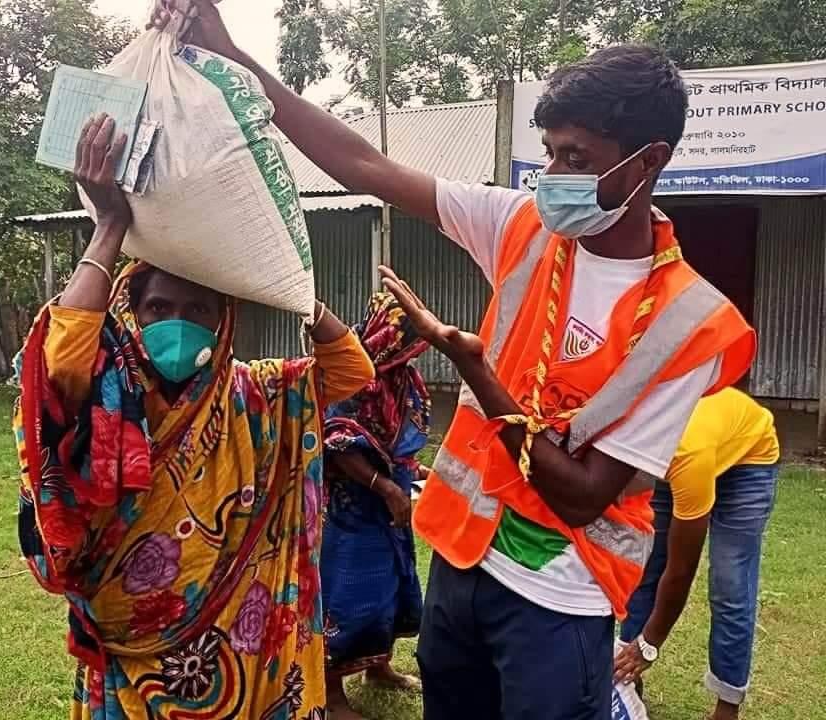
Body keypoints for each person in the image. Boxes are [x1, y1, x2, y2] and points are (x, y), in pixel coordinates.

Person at [148, 4, 757, 716]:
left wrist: (470, 367)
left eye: (578, 159)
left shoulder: (690, 322)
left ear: (647, 161)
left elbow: (586, 493)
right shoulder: (520, 227)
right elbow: (363, 165)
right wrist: (231, 53)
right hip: (464, 564)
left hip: (562, 595)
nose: (552, 174)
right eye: (551, 151)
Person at [13, 114, 374, 720]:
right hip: (133, 655)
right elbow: (56, 364)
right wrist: (110, 226)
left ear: (223, 322)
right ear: (132, 311)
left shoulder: (259, 396)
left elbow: (350, 369)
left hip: (243, 643)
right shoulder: (110, 394)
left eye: (197, 309)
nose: (175, 323)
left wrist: (288, 285)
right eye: (158, 307)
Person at [615, 388, 780, 720]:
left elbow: (681, 571)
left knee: (729, 585)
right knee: (645, 567)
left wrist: (649, 645)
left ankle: (726, 706)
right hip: (678, 448)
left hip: (750, 459)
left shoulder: (687, 456)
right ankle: (626, 681)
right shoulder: (631, 441)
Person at [321, 292, 431, 718]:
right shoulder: (353, 376)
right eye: (411, 337)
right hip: (353, 510)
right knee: (346, 593)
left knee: (390, 587)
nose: (416, 346)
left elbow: (397, 440)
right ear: (390, 334)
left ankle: (377, 668)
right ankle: (331, 695)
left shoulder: (402, 377)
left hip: (391, 506)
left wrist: (412, 474)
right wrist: (385, 486)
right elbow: (337, 442)